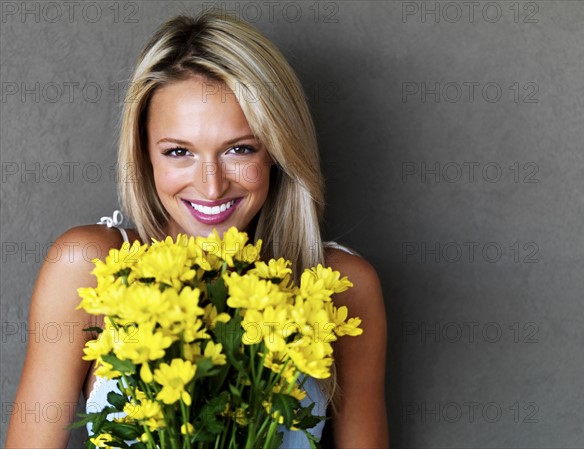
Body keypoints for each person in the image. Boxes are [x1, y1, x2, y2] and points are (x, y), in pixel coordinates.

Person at [5, 10, 388, 449]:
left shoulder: (343, 288)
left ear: (279, 153)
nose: (211, 185)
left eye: (239, 149)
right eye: (179, 152)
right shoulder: (88, 267)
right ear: (144, 152)